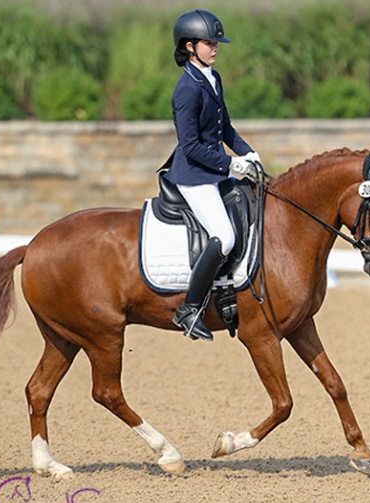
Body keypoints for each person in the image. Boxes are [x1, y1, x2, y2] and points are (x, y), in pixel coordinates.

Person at [164, 9, 261, 341]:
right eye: (209, 42)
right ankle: (189, 309)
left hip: (214, 170)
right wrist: (230, 164)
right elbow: (190, 146)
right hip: (194, 176)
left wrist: (248, 152)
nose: (215, 47)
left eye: (217, 42)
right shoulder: (186, 90)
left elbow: (227, 129)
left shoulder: (212, 78)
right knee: (225, 236)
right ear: (190, 46)